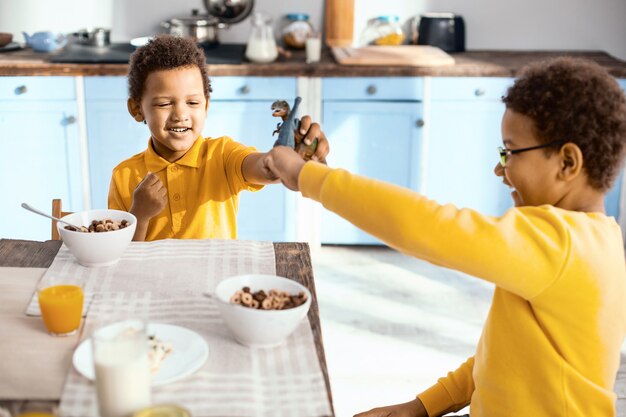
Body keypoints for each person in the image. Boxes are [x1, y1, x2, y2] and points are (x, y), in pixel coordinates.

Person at [262, 57, 626, 417]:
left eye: (510, 151)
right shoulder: (579, 242)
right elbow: (506, 356)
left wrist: (308, 177)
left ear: (567, 162)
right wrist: (422, 406)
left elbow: (426, 225)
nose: (500, 168)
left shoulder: (562, 245)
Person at [108, 35, 328, 241]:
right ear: (137, 109)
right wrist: (139, 215)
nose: (180, 115)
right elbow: (119, 256)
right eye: (165, 104)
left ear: (206, 105)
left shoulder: (223, 155)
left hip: (218, 281)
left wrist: (291, 156)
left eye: (192, 103)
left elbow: (266, 168)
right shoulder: (123, 175)